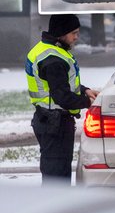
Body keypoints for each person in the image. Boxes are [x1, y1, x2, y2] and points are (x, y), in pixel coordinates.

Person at [25, 14, 98, 184]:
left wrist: (85, 90)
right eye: (74, 33)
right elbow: (62, 96)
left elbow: (59, 85)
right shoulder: (53, 60)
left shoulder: (45, 49)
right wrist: (88, 103)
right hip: (55, 123)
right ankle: (55, 209)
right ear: (61, 33)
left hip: (47, 119)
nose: (76, 37)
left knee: (55, 173)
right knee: (57, 179)